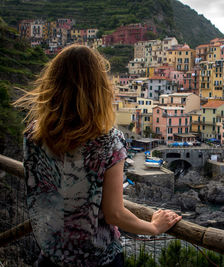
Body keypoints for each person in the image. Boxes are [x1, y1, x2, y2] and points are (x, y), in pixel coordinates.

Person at [14, 45, 181, 266]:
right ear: (98, 89)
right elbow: (114, 214)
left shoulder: (34, 135)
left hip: (52, 256)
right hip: (98, 260)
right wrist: (153, 227)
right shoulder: (108, 142)